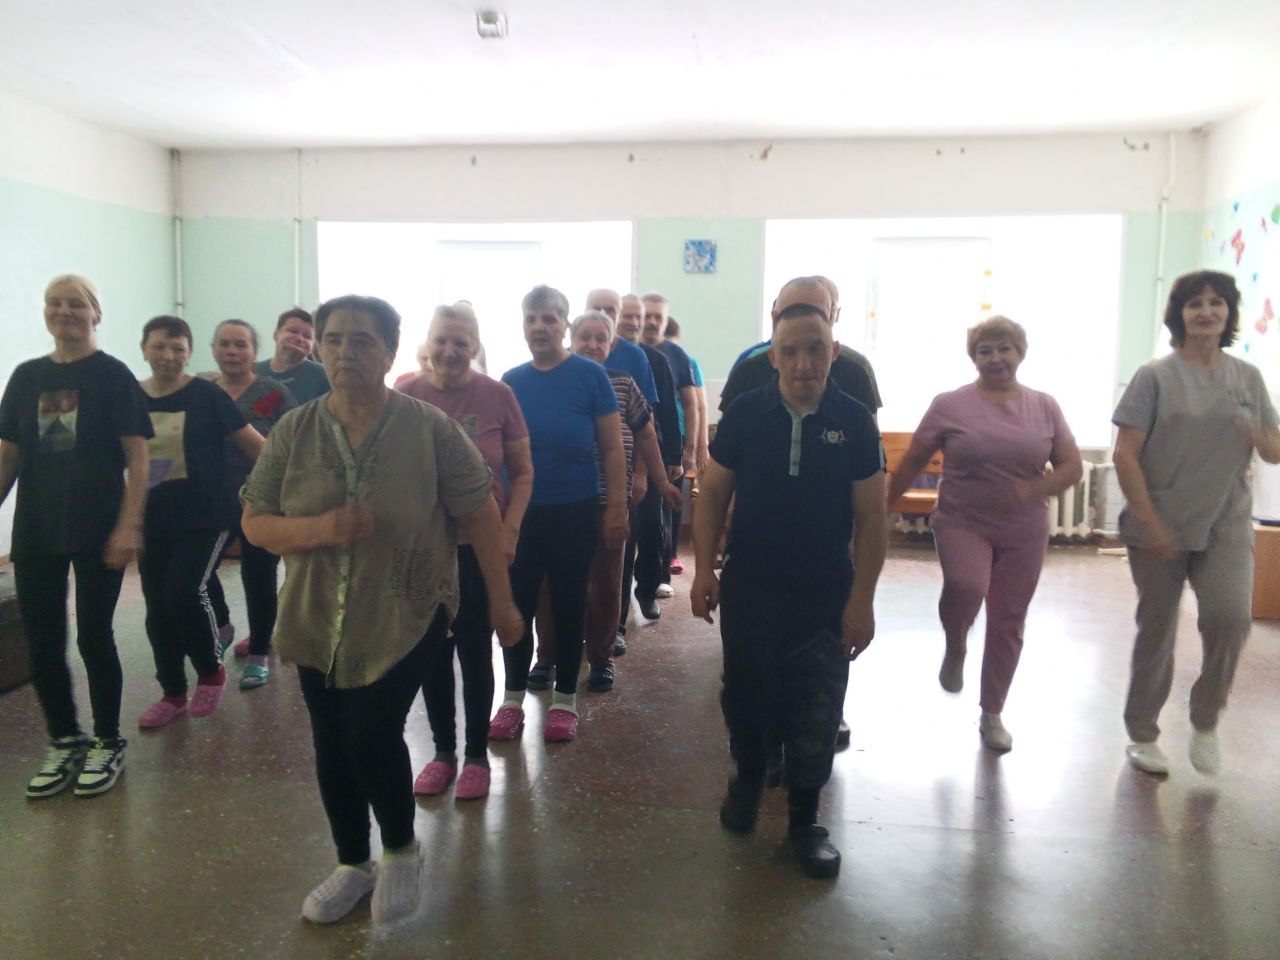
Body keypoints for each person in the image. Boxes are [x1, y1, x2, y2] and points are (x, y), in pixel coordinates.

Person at [241, 294, 523, 929]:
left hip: (408, 609)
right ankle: (352, 863)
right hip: (315, 615)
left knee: (369, 734)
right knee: (330, 743)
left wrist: (503, 602)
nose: (346, 351)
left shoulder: (430, 429)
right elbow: (255, 522)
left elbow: (481, 512)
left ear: (392, 351)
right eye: (334, 339)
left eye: (362, 340)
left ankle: (400, 849)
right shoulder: (294, 430)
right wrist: (319, 529)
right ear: (319, 348)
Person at [692, 295, 887, 879]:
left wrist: (862, 601)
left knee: (817, 707)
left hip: (825, 591)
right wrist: (703, 570)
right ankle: (749, 780)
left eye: (816, 350)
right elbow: (713, 493)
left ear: (834, 352)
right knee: (747, 695)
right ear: (773, 357)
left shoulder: (855, 420)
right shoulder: (746, 414)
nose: (805, 363)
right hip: (751, 587)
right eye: (791, 351)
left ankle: (805, 822)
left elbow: (873, 517)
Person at [886, 316, 1082, 752]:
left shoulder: (1045, 406)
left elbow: (1072, 467)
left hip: (1024, 528)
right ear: (973, 358)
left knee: (1009, 620)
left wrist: (1034, 490)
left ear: (1020, 352)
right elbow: (913, 459)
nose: (995, 358)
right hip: (962, 520)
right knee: (965, 585)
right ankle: (956, 643)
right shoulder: (949, 405)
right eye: (985, 350)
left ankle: (992, 713)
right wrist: (884, 506)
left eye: (1004, 348)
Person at [1112, 270, 1280, 776]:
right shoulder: (1154, 377)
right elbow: (1124, 455)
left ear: (1229, 313)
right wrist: (1150, 522)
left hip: (1225, 521)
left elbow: (1273, 450)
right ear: (1179, 314)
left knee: (1231, 619)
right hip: (1160, 522)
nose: (1206, 311)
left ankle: (1206, 719)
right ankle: (1143, 733)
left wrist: (1259, 433)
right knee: (1157, 629)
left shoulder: (1247, 377)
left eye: (1216, 303)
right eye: (1195, 303)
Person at [1, 275, 151, 798]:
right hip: (37, 527)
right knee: (43, 641)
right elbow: (9, 454)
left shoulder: (112, 375)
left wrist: (129, 524)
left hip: (97, 524)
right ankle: (64, 738)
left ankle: (107, 740)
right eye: (55, 303)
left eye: (76, 304)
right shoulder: (27, 377)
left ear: (95, 314)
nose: (64, 311)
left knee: (93, 636)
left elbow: (139, 456)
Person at [398, 303, 532, 800]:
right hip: (425, 550)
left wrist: (510, 529)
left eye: (461, 342)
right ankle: (442, 753)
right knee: (433, 651)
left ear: (475, 347)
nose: (451, 351)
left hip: (480, 546)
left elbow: (523, 472)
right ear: (428, 342)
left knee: (476, 649)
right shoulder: (406, 394)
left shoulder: (498, 396)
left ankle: (476, 755)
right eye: (442, 340)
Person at [489, 286, 627, 744]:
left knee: (569, 605)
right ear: (523, 325)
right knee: (518, 604)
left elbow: (612, 448)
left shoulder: (590, 376)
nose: (540, 327)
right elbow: (499, 450)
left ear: (564, 325)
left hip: (576, 510)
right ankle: (512, 701)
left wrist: (617, 507)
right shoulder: (511, 380)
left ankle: (565, 700)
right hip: (522, 515)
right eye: (532, 318)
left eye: (549, 318)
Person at [530, 310, 680, 694]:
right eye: (586, 337)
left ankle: (601, 658)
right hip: (559, 501)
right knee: (549, 583)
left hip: (610, 500)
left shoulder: (624, 384)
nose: (593, 345)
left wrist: (661, 481)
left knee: (606, 582)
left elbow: (647, 435)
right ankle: (546, 657)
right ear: (571, 338)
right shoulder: (555, 381)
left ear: (611, 345)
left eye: (601, 339)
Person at [136, 316, 265, 729]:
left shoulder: (207, 395)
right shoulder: (132, 396)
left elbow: (255, 446)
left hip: (207, 515)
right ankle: (172, 693)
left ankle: (211, 672)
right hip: (153, 517)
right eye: (159, 346)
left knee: (183, 590)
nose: (168, 355)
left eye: (177, 348)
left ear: (190, 352)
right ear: (144, 349)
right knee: (157, 607)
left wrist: (279, 493)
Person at [204, 319, 297, 689]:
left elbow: (293, 441)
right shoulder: (204, 392)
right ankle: (222, 625)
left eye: (240, 344)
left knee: (258, 576)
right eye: (225, 344)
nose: (232, 351)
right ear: (213, 349)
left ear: (254, 352)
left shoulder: (272, 394)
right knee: (200, 570)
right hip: (212, 498)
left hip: (262, 499)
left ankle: (259, 652)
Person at [615, 293, 682, 638]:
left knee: (653, 528)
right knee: (624, 536)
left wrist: (675, 458)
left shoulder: (654, 359)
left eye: (636, 316)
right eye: (624, 315)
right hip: (613, 463)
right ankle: (616, 613)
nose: (631, 321)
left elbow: (666, 410)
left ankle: (646, 590)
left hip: (651, 454)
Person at [719, 276, 882, 417]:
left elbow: (871, 438)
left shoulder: (856, 373)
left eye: (815, 314)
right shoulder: (748, 371)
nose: (803, 323)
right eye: (793, 313)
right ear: (775, 319)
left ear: (832, 317)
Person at [641, 293, 701, 604]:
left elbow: (691, 403)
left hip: (667, 447)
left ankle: (660, 577)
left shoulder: (675, 355)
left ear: (665, 321)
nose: (652, 321)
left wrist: (688, 449)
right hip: (632, 449)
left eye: (658, 317)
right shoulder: (626, 352)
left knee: (664, 515)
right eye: (647, 315)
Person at [661, 315, 708, 575]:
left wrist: (700, 445)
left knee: (673, 497)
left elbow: (699, 405)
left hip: (678, 436)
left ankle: (671, 554)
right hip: (655, 435)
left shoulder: (688, 361)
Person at [254, 307, 331, 403]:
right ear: (276, 335)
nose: (300, 339)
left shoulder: (323, 375)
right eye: (293, 331)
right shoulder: (253, 371)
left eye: (307, 336)